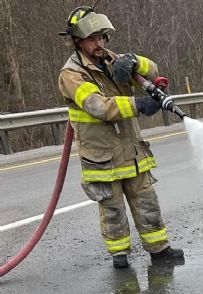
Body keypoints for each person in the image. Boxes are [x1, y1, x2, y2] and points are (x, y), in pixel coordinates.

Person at [58, 6, 184, 268]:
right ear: (78, 41)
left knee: (147, 201)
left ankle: (159, 249)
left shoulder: (113, 60)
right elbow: (98, 106)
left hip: (132, 151)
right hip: (102, 157)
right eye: (93, 38)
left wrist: (136, 62)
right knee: (112, 210)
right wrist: (138, 106)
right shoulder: (71, 74)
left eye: (102, 37)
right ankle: (120, 256)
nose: (99, 43)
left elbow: (152, 70)